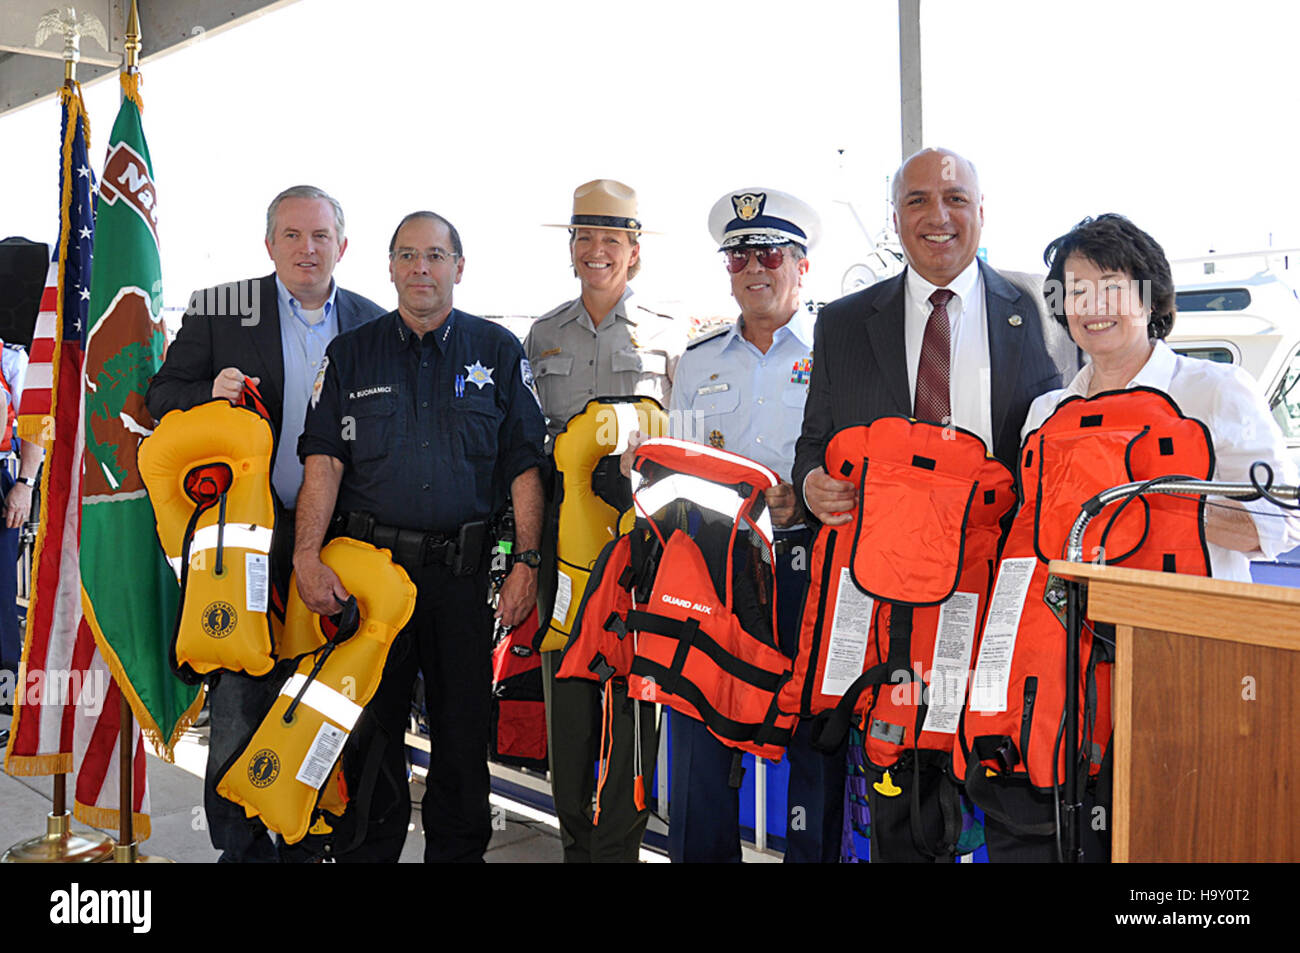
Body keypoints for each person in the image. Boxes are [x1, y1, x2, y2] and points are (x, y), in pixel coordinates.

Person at [794, 148, 1079, 862]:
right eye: (918, 200)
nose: (938, 215)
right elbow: (813, 444)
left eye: (955, 197)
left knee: (1009, 795)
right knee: (906, 811)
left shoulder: (1044, 314)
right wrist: (810, 485)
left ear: (982, 210)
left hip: (1003, 605)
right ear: (896, 219)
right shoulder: (845, 322)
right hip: (893, 605)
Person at [294, 210, 546, 862]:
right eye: (408, 255)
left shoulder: (497, 351)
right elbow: (324, 459)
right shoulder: (351, 355)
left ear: (459, 266)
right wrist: (305, 555)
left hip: (463, 583)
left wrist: (525, 563)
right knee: (368, 738)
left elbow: (523, 464)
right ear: (390, 267)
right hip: (370, 579)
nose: (421, 269)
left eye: (435, 255)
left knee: (463, 745)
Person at [144, 185, 384, 863]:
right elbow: (161, 397)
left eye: (320, 236)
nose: (307, 249)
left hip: (338, 541)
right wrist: (205, 393)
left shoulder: (371, 321)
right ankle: (241, 849)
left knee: (327, 694)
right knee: (241, 698)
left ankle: (313, 836)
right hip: (244, 542)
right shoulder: (222, 309)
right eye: (292, 236)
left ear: (343, 243)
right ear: (269, 243)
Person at [641, 187, 846, 862]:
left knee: (813, 737)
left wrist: (807, 501)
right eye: (738, 258)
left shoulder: (840, 353)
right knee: (699, 735)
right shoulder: (697, 360)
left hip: (809, 568)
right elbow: (681, 469)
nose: (754, 268)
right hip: (717, 574)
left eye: (770, 253)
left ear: (803, 265)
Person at [526, 179, 684, 862]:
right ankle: (574, 843)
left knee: (632, 708)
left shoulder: (671, 337)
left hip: (639, 545)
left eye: (612, 241)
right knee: (568, 704)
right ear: (570, 248)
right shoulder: (541, 335)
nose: (598, 252)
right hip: (564, 542)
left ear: (634, 252)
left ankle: (618, 849)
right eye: (585, 239)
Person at [1025, 213, 1300, 581]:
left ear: (1150, 300)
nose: (1094, 306)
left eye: (1111, 287)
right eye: (1076, 292)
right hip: (1073, 629)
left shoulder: (1217, 391)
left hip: (1185, 629)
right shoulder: (1046, 413)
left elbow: (1282, 523)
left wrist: (1158, 500)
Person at [0, 339, 43, 700]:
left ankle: (4, 695)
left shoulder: (10, 357)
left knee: (0, 592)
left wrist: (25, 484)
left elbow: (33, 424)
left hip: (1, 478)